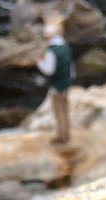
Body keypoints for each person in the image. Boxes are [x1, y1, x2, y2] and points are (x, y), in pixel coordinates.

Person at [36, 14, 74, 144]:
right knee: (65, 108)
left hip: (57, 85)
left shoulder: (51, 51)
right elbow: (71, 65)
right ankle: (67, 133)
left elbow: (49, 70)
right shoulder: (64, 46)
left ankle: (61, 136)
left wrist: (40, 61)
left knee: (58, 110)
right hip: (66, 82)